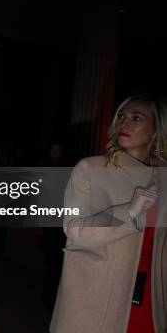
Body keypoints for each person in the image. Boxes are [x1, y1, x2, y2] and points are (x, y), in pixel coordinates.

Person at [51, 93, 167, 332]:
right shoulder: (91, 169)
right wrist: (129, 212)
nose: (124, 123)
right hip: (96, 302)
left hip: (150, 304)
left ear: (156, 131)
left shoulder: (162, 181)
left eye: (137, 118)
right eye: (122, 116)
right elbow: (74, 229)